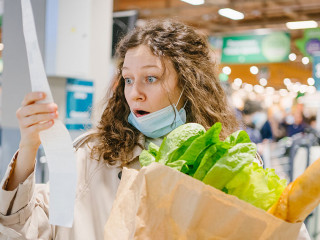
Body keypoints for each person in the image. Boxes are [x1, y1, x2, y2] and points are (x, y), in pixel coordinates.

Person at [0, 20, 310, 239]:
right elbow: (24, 230)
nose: (134, 93)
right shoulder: (94, 158)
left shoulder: (229, 162)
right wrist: (29, 147)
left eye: (151, 78)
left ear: (189, 85)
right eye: (128, 79)